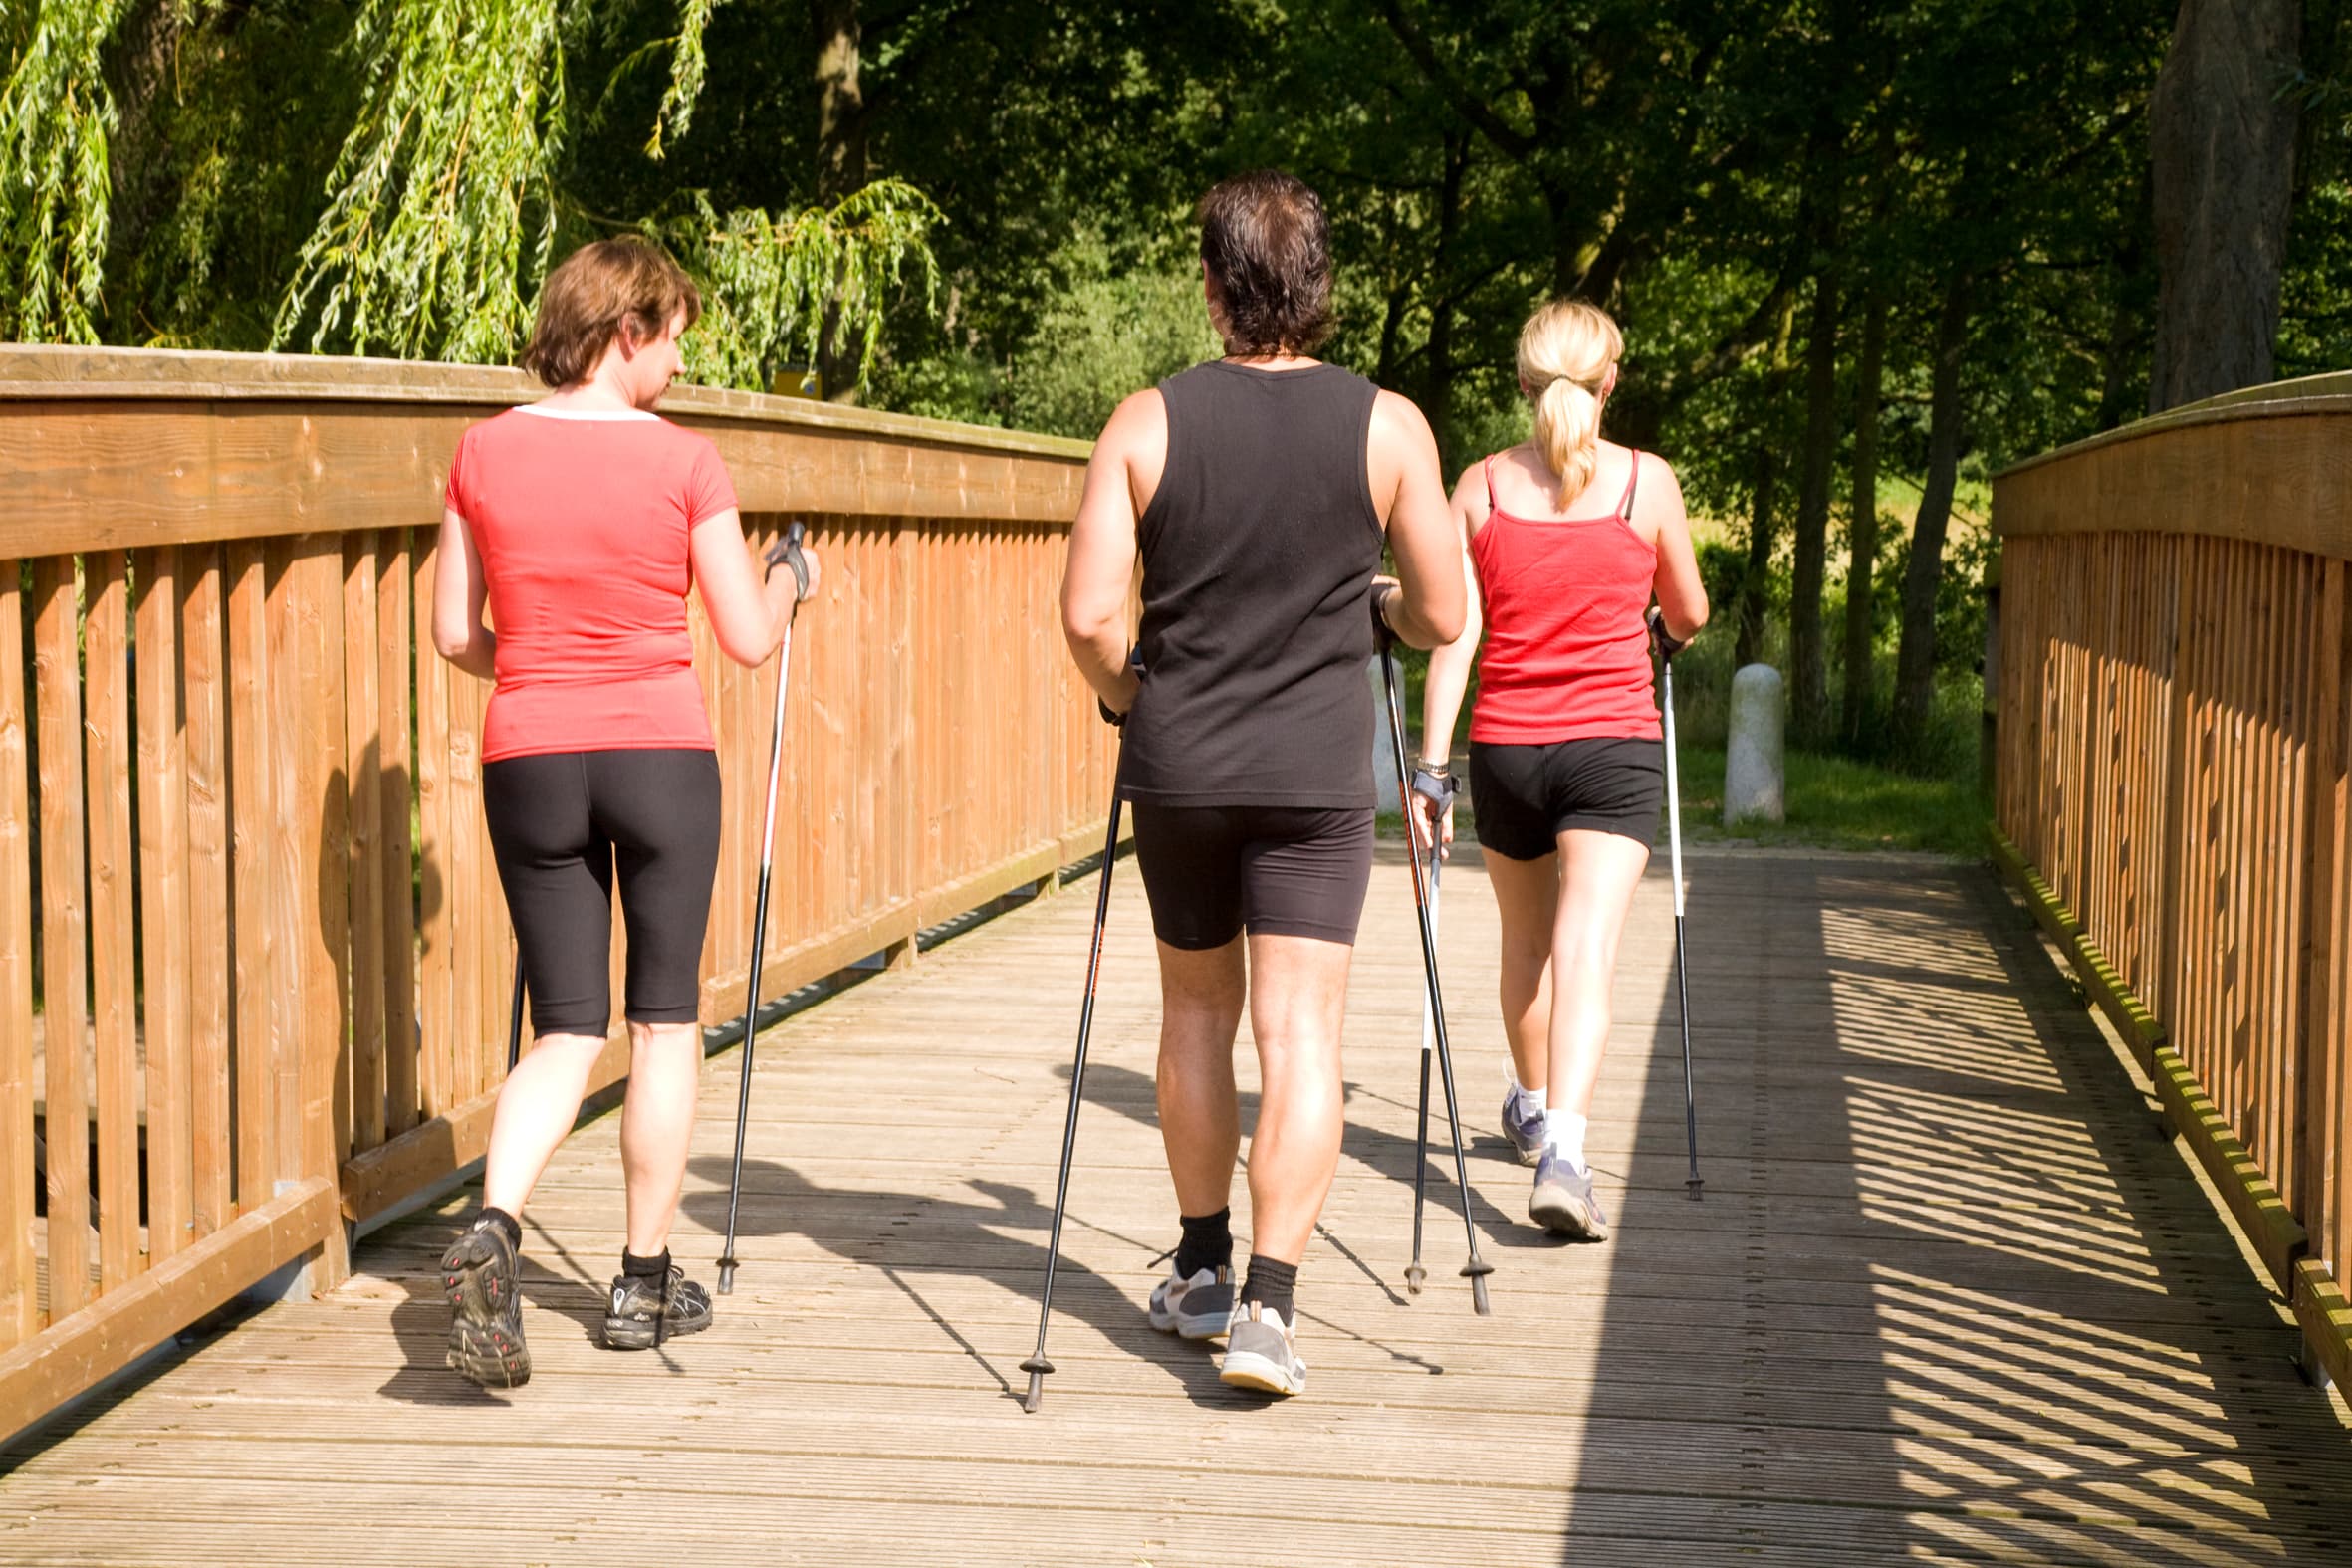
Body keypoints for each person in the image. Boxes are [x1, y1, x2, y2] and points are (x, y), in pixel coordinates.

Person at [1059, 170, 1465, 1399]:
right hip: (1313, 770)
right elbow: (1444, 611)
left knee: (1194, 1017)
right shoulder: (1388, 426)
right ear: (1320, 284)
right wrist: (1380, 605)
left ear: (1213, 286)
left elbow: (1087, 616)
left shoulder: (1144, 423)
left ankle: (1195, 1267)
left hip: (1179, 761)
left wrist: (1128, 696)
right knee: (1301, 1035)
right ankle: (1269, 1313)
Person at [430, 237, 820, 1388]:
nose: (681, 363)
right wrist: (794, 574)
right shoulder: (686, 462)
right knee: (659, 1024)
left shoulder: (481, 451)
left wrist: (543, 670)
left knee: (565, 1027)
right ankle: (644, 1283)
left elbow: (456, 634)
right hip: (659, 753)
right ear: (626, 329)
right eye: (674, 338)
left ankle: (495, 1227)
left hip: (530, 753)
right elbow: (747, 639)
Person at [1410, 299, 1708, 1242]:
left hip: (1507, 747)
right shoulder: (1644, 485)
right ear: (1610, 380)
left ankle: (1532, 1102)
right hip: (1612, 745)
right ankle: (1566, 1153)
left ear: (1523, 383)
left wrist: (1430, 769)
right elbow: (1689, 614)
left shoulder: (1481, 489)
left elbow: (1451, 638)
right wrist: (1650, 635)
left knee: (1525, 945)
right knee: (1586, 950)